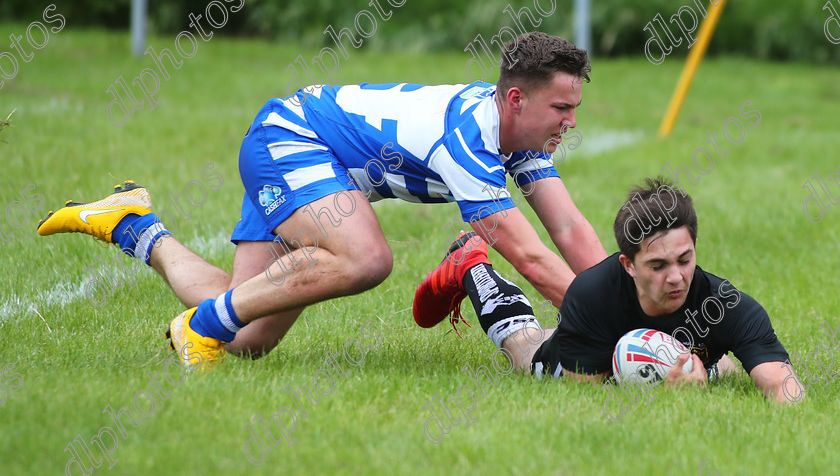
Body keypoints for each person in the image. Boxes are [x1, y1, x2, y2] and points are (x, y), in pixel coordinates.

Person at [36, 31, 607, 369]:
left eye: (574, 108)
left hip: (312, 154)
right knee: (367, 258)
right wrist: (606, 333)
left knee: (249, 337)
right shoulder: (466, 138)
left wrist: (631, 306)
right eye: (562, 108)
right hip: (291, 140)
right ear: (515, 99)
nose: (571, 121)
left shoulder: (521, 137)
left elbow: (570, 231)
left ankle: (134, 225)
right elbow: (529, 258)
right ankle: (200, 325)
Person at [413, 177, 803, 403]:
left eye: (685, 259)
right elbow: (585, 398)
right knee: (525, 347)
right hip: (578, 360)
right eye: (657, 265)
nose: (676, 277)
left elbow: (784, 387)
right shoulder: (592, 293)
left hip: (633, 341)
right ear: (628, 264)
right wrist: (661, 386)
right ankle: (470, 265)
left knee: (724, 367)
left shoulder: (725, 304)